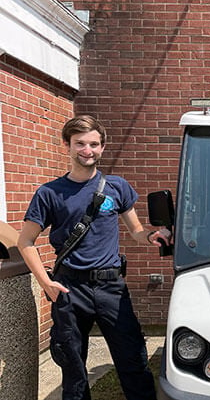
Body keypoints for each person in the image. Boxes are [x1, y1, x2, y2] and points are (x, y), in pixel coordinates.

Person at [17, 115, 170, 400]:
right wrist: (46, 284)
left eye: (94, 144)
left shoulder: (116, 187)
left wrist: (150, 236)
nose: (87, 150)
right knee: (73, 370)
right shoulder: (49, 193)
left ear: (102, 148)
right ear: (67, 145)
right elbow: (25, 241)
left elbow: (135, 230)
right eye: (80, 144)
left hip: (111, 288)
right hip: (69, 290)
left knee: (134, 362)